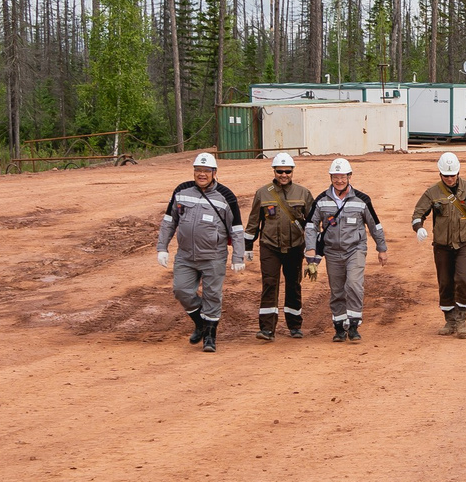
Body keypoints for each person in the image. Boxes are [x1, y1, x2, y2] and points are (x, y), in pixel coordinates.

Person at [155, 151, 246, 353]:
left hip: (213, 256)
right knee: (181, 291)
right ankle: (200, 323)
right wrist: (162, 248)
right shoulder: (181, 191)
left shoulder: (226, 196)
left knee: (212, 295)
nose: (201, 174)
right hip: (185, 256)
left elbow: (237, 229)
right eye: (198, 170)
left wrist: (238, 256)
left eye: (206, 171)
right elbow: (170, 221)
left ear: (214, 172)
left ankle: (210, 338)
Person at [409, 151, 466, 337]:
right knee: (445, 282)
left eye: (452, 175)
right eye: (446, 175)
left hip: (465, 243)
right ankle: (450, 320)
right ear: (440, 174)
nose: (449, 178)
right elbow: (418, 213)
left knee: (462, 278)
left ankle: (462, 320)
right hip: (442, 245)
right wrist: (419, 227)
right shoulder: (432, 192)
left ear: (458, 172)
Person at [303, 157, 386, 342]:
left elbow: (375, 225)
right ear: (330, 177)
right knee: (337, 290)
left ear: (350, 176)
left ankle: (354, 325)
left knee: (354, 284)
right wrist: (310, 250)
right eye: (335, 177)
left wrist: (382, 248)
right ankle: (339, 327)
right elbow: (311, 226)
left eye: (343, 177)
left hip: (355, 249)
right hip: (332, 252)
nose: (339, 180)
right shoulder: (321, 200)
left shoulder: (362, 200)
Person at [244, 151, 315, 341]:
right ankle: (267, 328)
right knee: (269, 284)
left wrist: (312, 249)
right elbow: (253, 222)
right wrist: (248, 246)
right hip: (270, 246)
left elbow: (312, 224)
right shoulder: (262, 193)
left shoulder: (304, 193)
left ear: (293, 172)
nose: (284, 175)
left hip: (295, 247)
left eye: (287, 171)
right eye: (280, 171)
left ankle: (294, 325)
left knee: (293, 284)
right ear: (274, 171)